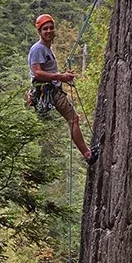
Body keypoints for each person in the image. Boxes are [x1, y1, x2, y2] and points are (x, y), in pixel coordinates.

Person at [28, 13, 98, 164]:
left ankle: (87, 153)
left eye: (51, 28)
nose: (48, 31)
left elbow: (47, 71)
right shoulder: (38, 49)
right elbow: (37, 73)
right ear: (39, 31)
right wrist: (60, 77)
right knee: (73, 119)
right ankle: (87, 154)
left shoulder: (47, 48)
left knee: (73, 119)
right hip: (49, 92)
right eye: (45, 28)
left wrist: (62, 76)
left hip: (52, 89)